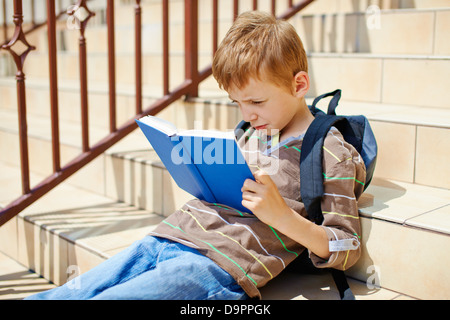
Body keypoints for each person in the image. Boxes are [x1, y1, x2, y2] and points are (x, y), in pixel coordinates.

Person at [25, 11, 365, 300]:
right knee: (65, 294)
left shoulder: (327, 150)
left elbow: (347, 247)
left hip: (214, 266)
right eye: (238, 103)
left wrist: (283, 218)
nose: (247, 114)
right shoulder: (251, 132)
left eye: (256, 102)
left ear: (299, 84)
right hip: (167, 237)